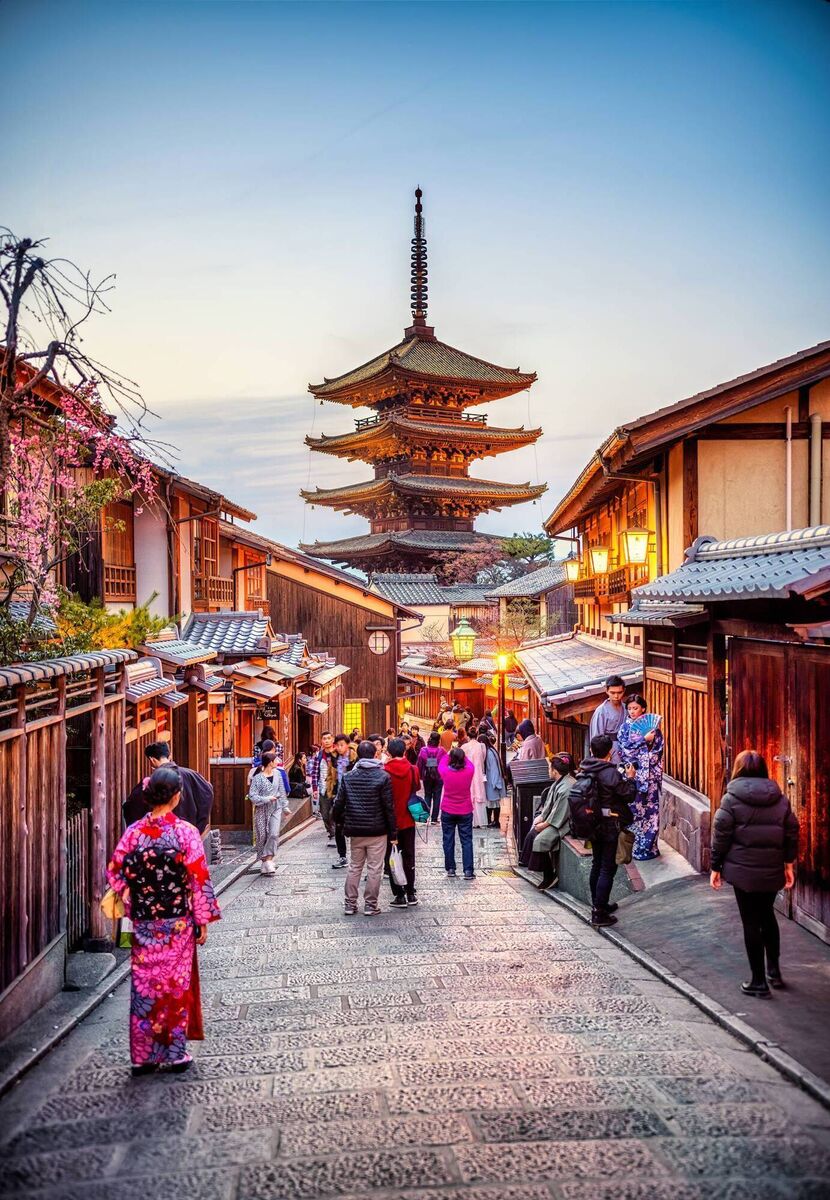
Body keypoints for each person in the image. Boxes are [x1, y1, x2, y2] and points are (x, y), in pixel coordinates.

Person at [107, 765, 220, 1075]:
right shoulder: (185, 832)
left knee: (144, 987)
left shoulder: (133, 833)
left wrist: (135, 896)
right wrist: (203, 919)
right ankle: (173, 1053)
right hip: (177, 922)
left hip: (143, 921)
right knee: (173, 985)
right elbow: (198, 879)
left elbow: (115, 873)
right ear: (176, 796)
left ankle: (143, 1056)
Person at [711, 750, 799, 996]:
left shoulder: (731, 798)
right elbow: (791, 830)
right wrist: (788, 863)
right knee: (767, 916)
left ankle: (758, 981)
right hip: (771, 869)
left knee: (750, 921)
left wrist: (715, 867)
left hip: (742, 870)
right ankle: (774, 972)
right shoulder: (779, 798)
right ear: (762, 769)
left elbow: (721, 834)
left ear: (738, 769)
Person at [577, 734, 636, 927]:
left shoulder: (585, 769)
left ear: (592, 751)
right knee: (607, 868)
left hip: (592, 822)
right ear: (609, 752)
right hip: (610, 823)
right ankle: (599, 912)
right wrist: (630, 779)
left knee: (597, 863)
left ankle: (598, 904)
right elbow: (628, 795)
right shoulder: (610, 773)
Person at [333, 740, 396, 916]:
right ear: (375, 754)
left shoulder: (348, 777)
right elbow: (388, 807)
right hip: (377, 829)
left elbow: (339, 803)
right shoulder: (383, 776)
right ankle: (370, 904)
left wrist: (338, 821)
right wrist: (393, 832)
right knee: (375, 868)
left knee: (355, 866)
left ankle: (350, 904)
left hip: (356, 829)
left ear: (359, 755)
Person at [123, 742, 214, 833]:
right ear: (169, 756)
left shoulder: (151, 781)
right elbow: (207, 792)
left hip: (156, 832)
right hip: (187, 830)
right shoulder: (190, 774)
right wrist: (199, 826)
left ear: (152, 759)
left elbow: (132, 805)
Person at [617, 694, 664, 861]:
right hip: (633, 775)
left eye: (635, 708)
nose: (632, 711)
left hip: (649, 777)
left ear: (643, 708)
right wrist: (643, 741)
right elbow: (624, 751)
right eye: (629, 708)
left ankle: (649, 848)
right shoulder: (624, 728)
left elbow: (657, 752)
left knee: (651, 814)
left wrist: (645, 753)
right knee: (634, 812)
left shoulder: (654, 729)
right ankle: (634, 847)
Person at [519, 753, 577, 888]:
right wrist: (541, 819)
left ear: (555, 771)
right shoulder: (559, 782)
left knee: (541, 839)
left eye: (549, 768)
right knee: (533, 832)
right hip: (555, 819)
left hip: (564, 823)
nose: (548, 771)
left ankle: (549, 875)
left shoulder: (567, 787)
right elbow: (550, 807)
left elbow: (560, 813)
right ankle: (530, 865)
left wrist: (545, 824)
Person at [384, 737, 420, 907]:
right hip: (408, 819)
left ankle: (399, 895)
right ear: (404, 751)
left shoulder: (384, 771)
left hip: (389, 821)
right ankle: (411, 892)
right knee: (409, 856)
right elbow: (416, 787)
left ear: (389, 752)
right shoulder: (413, 769)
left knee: (391, 857)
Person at [249, 750, 290, 876]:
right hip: (262, 810)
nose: (277, 762)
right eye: (275, 760)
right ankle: (266, 861)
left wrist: (285, 807)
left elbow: (282, 791)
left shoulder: (278, 774)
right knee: (263, 835)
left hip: (275, 808)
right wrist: (266, 799)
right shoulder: (257, 778)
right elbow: (252, 796)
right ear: (270, 762)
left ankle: (268, 859)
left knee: (273, 833)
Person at [438, 746, 476, 880]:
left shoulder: (445, 772)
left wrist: (449, 754)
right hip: (465, 809)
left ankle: (451, 868)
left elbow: (442, 762)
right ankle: (468, 870)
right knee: (466, 840)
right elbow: (469, 762)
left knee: (448, 839)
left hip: (448, 809)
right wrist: (461, 755)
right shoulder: (469, 771)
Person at [330, 733, 357, 869]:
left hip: (352, 796)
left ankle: (357, 857)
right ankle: (342, 856)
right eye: (338, 745)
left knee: (354, 827)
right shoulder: (334, 758)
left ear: (348, 744)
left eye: (342, 745)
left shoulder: (355, 758)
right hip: (338, 795)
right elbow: (330, 776)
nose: (340, 748)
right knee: (339, 827)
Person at [589, 676, 628, 763]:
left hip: (625, 747)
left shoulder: (626, 708)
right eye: (612, 693)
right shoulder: (601, 711)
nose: (616, 696)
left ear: (624, 691)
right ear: (606, 691)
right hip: (608, 749)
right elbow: (597, 737)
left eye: (619, 692)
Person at [310, 732, 337, 845]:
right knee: (325, 813)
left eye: (328, 738)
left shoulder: (338, 754)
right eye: (324, 738)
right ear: (321, 741)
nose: (326, 741)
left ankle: (336, 834)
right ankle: (331, 831)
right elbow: (315, 773)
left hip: (336, 787)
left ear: (332, 740)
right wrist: (315, 789)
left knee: (334, 812)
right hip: (323, 787)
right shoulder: (319, 756)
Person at [418, 732, 447, 822]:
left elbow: (419, 764)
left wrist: (420, 775)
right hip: (438, 776)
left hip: (427, 776)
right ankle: (434, 818)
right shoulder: (441, 751)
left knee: (427, 795)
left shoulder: (423, 750)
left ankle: (425, 818)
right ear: (438, 741)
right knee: (437, 797)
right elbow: (446, 762)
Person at [462, 731, 488, 827]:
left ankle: (470, 820)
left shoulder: (464, 747)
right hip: (478, 773)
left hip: (466, 773)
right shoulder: (482, 746)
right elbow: (483, 758)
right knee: (478, 793)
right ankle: (480, 821)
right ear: (476, 736)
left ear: (468, 736)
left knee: (469, 793)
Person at [482, 733, 507, 829]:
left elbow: (494, 769)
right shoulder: (491, 750)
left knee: (492, 802)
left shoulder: (489, 753)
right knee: (493, 802)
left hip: (492, 781)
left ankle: (494, 821)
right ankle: (493, 821)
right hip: (492, 781)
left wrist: (496, 783)